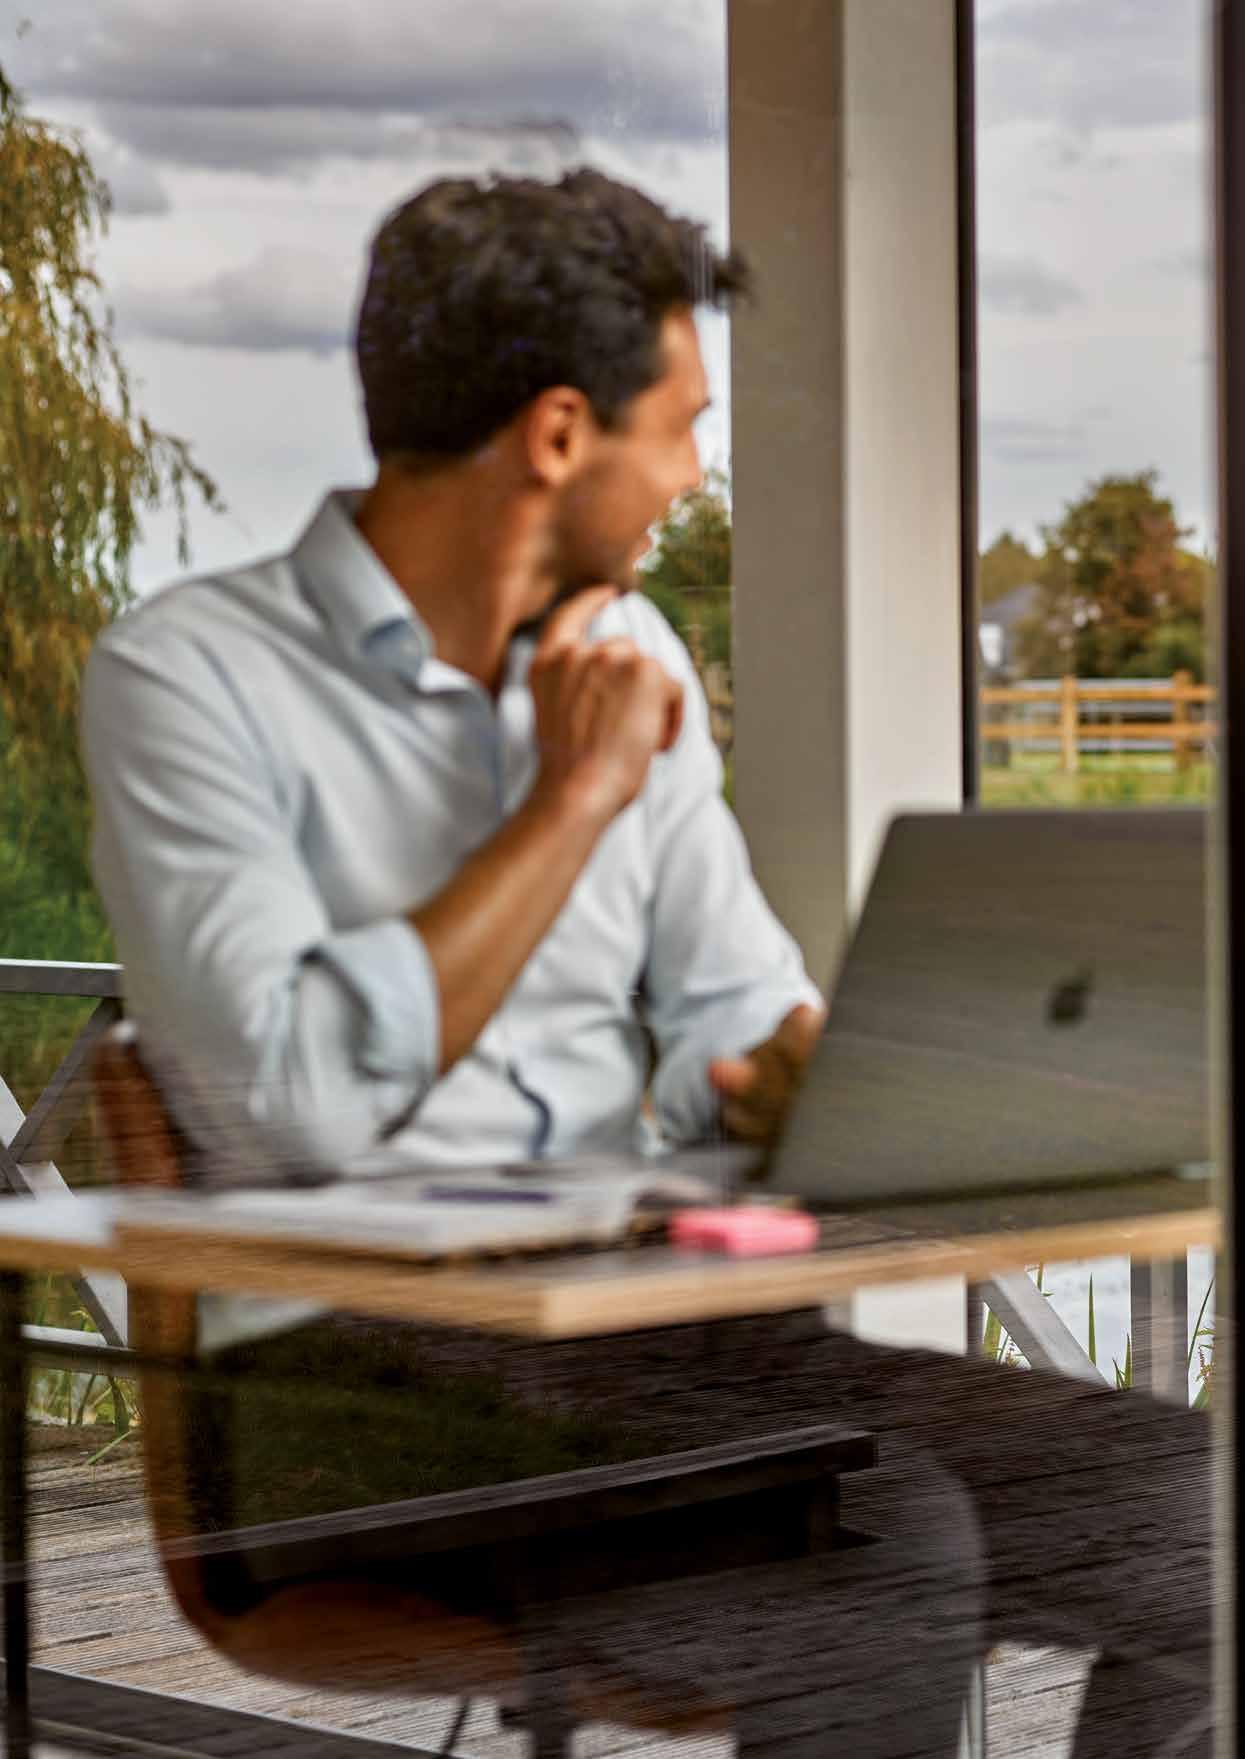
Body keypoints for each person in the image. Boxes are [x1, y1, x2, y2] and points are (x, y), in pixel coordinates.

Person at [81, 171, 1211, 1757]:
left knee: (1189, 1504)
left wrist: (843, 1083)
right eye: (681, 428)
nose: (691, 474)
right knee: (883, 1546)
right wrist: (569, 798)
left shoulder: (634, 655)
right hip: (362, 1407)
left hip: (694, 1344)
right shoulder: (189, 678)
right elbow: (304, 1103)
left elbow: (732, 1012)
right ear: (558, 435)